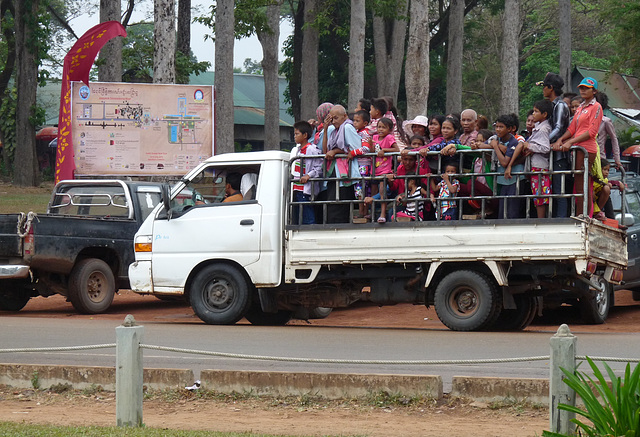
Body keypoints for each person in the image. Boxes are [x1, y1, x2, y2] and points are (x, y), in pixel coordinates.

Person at [553, 77, 603, 217]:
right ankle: (581, 213)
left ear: (594, 91)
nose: (583, 90)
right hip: (577, 147)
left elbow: (592, 132)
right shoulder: (580, 107)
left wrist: (570, 142)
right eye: (581, 87)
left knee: (583, 183)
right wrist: (562, 139)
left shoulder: (596, 107)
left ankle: (584, 215)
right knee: (579, 182)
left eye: (586, 88)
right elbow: (572, 127)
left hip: (587, 148)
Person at [539, 72, 571, 218]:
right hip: (549, 155)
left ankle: (561, 220)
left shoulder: (560, 105)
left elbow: (558, 128)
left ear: (550, 88)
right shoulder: (550, 105)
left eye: (544, 87)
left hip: (559, 156)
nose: (543, 90)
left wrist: (541, 142)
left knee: (560, 191)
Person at [321, 105, 361, 223]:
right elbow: (325, 150)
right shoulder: (333, 131)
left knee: (339, 207)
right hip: (334, 172)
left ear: (345, 116)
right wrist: (325, 129)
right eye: (331, 119)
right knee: (332, 204)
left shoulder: (347, 127)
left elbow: (355, 149)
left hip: (345, 173)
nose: (333, 121)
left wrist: (336, 151)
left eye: (336, 118)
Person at [523, 100, 553, 218]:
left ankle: (542, 219)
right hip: (536, 165)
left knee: (540, 194)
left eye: (536, 111)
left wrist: (529, 146)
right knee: (538, 193)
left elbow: (545, 148)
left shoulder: (543, 129)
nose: (533, 114)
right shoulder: (539, 127)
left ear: (544, 114)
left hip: (540, 166)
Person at [492, 114, 525, 219]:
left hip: (515, 178)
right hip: (504, 180)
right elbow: (484, 144)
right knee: (503, 209)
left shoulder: (513, 141)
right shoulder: (498, 139)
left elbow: (505, 162)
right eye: (496, 126)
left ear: (510, 129)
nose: (498, 129)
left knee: (512, 209)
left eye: (501, 127)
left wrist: (496, 147)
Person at [290, 121, 323, 224]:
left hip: (305, 189)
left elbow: (319, 167)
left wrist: (308, 175)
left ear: (305, 135)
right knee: (299, 215)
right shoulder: (298, 150)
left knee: (308, 216)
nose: (294, 136)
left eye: (297, 134)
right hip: (297, 188)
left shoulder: (312, 149)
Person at [371, 117, 399, 223]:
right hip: (375, 169)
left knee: (382, 191)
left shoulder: (389, 137)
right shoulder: (375, 137)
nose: (381, 129)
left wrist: (384, 150)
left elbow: (396, 149)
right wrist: (370, 144)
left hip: (385, 170)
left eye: (384, 127)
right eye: (379, 127)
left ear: (390, 129)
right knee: (373, 190)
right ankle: (372, 212)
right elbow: (373, 150)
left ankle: (382, 214)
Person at [349, 110, 373, 218]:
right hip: (359, 165)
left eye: (357, 121)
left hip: (363, 165)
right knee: (360, 189)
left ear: (365, 123)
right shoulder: (358, 132)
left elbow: (366, 148)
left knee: (362, 188)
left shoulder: (365, 133)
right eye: (354, 120)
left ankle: (363, 213)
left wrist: (353, 153)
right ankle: (362, 212)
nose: (354, 123)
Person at [595, 92, 622, 168]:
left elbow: (614, 138)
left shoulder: (605, 121)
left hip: (600, 157)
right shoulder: (585, 119)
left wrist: (617, 159)